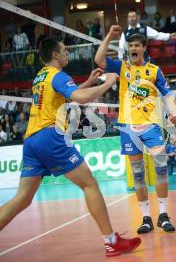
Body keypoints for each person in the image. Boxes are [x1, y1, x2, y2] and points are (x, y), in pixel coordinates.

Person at [0, 37, 141, 256]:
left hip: (31, 140)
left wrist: (86, 83)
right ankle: (111, 240)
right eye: (64, 51)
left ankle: (111, 239)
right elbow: (81, 99)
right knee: (90, 185)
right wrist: (108, 83)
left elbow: (65, 98)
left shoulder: (41, 76)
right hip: (50, 136)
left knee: (23, 198)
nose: (68, 53)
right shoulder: (58, 75)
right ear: (55, 55)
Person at [96, 25, 176, 234]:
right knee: (138, 175)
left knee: (161, 169)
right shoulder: (122, 67)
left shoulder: (154, 71)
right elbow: (99, 61)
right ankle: (145, 218)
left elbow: (168, 94)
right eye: (130, 45)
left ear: (144, 48)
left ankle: (162, 215)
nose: (133, 48)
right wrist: (109, 36)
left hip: (151, 126)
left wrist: (174, 110)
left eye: (136, 45)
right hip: (127, 127)